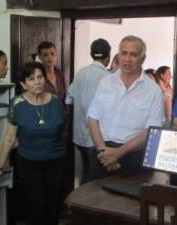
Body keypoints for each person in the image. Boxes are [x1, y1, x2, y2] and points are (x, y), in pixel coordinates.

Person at [0, 62, 67, 225]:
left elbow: (63, 131)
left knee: (54, 207)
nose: (37, 81)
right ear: (24, 84)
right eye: (31, 79)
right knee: (37, 206)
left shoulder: (56, 102)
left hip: (56, 162)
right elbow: (10, 138)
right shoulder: (17, 104)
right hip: (29, 163)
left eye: (40, 77)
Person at [86, 35, 164, 181]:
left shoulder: (153, 91)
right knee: (91, 200)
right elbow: (93, 118)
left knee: (128, 203)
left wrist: (118, 153)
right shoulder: (105, 82)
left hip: (132, 157)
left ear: (143, 58)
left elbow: (151, 131)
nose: (127, 59)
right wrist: (104, 151)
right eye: (124, 53)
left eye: (133, 54)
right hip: (102, 152)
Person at [65, 38, 111, 184]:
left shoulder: (80, 74)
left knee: (86, 172)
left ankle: (79, 205)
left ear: (91, 54)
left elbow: (68, 100)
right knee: (97, 180)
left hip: (79, 137)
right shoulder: (108, 78)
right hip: (98, 139)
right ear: (108, 56)